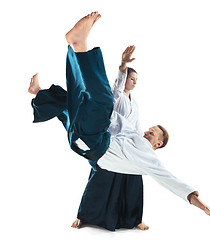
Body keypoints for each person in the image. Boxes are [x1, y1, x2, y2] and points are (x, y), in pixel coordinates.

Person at [29, 11, 210, 221]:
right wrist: (122, 68)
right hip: (88, 138)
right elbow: (115, 111)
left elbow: (172, 181)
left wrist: (205, 207)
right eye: (150, 129)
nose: (147, 131)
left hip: (95, 144)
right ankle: (38, 93)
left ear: (158, 144)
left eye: (152, 134)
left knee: (100, 101)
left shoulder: (149, 159)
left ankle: (79, 45)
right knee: (78, 100)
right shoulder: (132, 133)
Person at [29, 47, 149, 231]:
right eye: (131, 79)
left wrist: (142, 146)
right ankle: (83, 216)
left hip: (127, 147)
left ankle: (135, 219)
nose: (134, 82)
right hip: (106, 144)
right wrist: (123, 64)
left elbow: (136, 127)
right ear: (124, 79)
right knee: (99, 178)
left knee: (134, 179)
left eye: (136, 80)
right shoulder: (116, 95)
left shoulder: (135, 104)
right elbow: (117, 85)